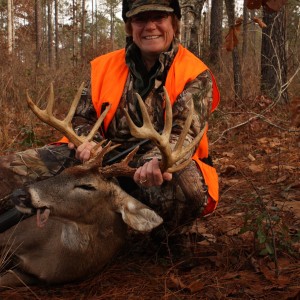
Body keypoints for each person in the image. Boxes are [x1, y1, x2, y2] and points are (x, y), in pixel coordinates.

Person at [0, 0, 220, 262]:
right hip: (96, 159)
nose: (150, 26)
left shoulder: (195, 73)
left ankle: (168, 236)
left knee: (187, 187)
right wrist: (88, 142)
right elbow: (83, 117)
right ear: (129, 26)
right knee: (9, 168)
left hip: (150, 168)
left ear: (174, 23)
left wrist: (156, 161)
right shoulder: (104, 67)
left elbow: (183, 134)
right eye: (140, 19)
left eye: (159, 17)